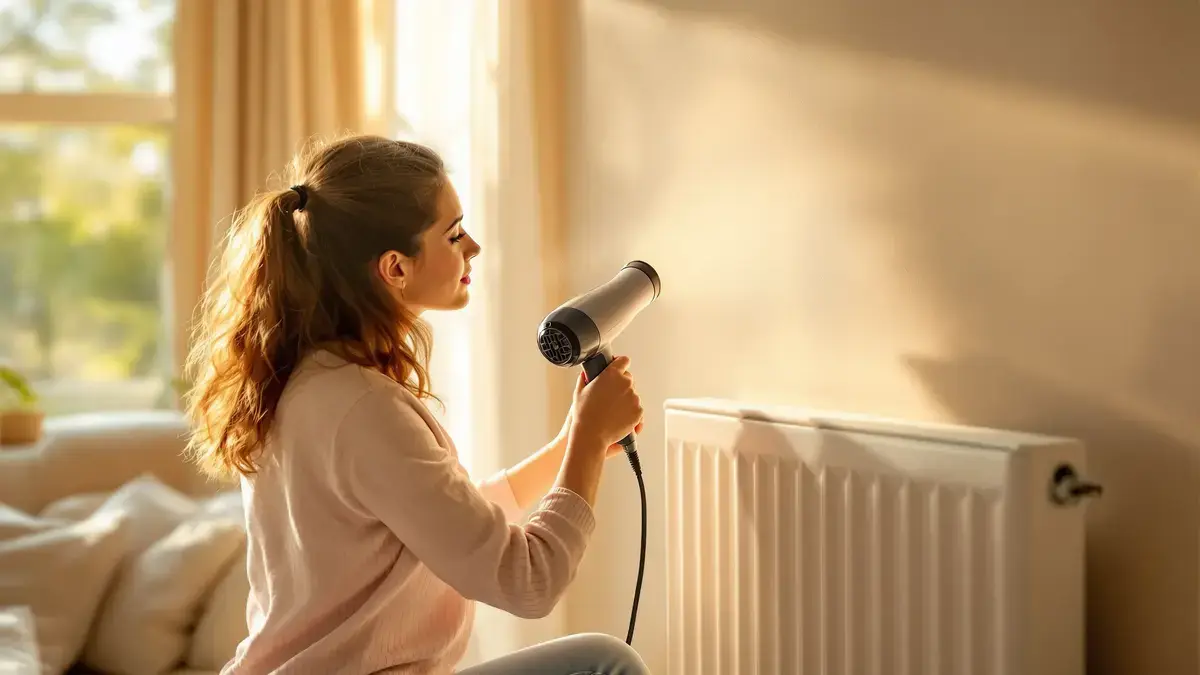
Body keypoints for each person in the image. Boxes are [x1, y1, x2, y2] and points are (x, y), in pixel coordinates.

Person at [183, 134, 650, 675]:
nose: (473, 247)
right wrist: (588, 444)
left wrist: (571, 444)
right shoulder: (365, 410)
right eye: (453, 234)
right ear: (395, 268)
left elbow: (449, 519)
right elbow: (529, 582)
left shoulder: (310, 382)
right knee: (603, 664)